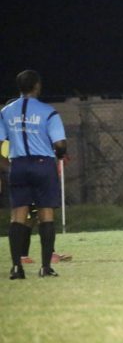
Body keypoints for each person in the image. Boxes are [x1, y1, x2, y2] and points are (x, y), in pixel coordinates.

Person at [1, 70, 67, 279]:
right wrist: (60, 154)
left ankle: (16, 268)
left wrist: (7, 165)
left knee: (18, 216)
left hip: (18, 165)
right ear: (37, 85)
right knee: (46, 214)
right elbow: (60, 144)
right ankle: (45, 267)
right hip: (42, 164)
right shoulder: (48, 112)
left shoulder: (5, 111)